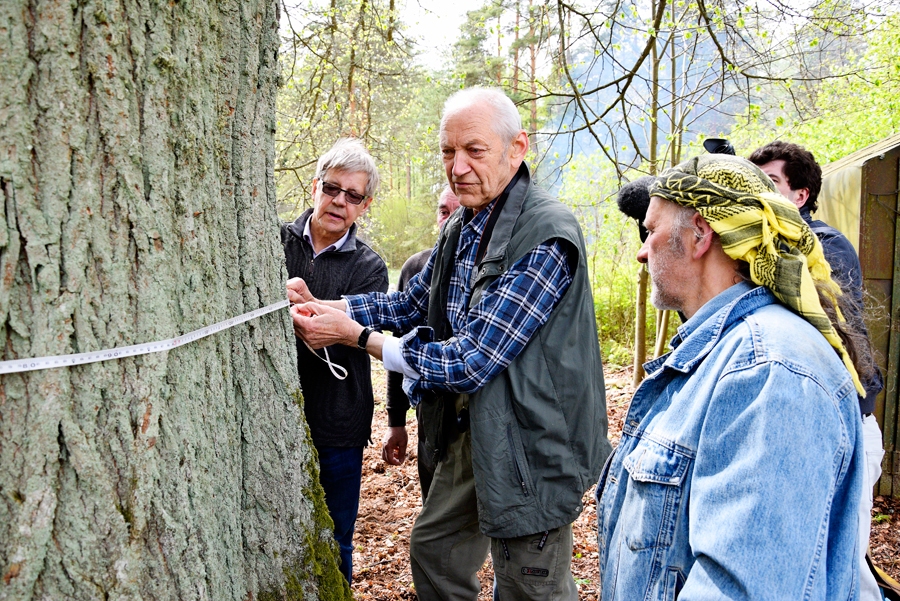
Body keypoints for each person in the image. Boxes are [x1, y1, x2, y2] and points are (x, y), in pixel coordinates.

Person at [288, 87, 610, 600]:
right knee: (435, 551)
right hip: (475, 427)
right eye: (447, 151)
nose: (457, 167)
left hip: (534, 441)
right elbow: (412, 302)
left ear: (516, 148)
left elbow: (473, 359)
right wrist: (334, 308)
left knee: (528, 583)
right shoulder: (462, 225)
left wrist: (358, 337)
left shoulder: (546, 235)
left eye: (474, 151)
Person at [596, 154, 870, 599]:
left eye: (650, 231)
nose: (643, 251)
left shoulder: (768, 373)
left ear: (700, 235)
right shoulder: (722, 351)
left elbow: (743, 588)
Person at [750, 140, 885, 601]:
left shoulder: (825, 247)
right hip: (800, 427)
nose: (758, 194)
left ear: (801, 195)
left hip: (848, 429)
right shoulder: (763, 247)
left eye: (769, 183)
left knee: (844, 566)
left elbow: (816, 317)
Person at [280, 138, 388, 584]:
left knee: (336, 536)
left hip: (338, 426)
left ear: (364, 206)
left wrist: (309, 311)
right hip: (273, 417)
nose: (339, 201)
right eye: (332, 188)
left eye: (353, 195)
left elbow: (347, 334)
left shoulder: (371, 268)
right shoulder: (270, 241)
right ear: (314, 187)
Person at [381, 186, 460, 501]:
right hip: (429, 416)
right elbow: (398, 344)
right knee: (434, 506)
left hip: (481, 420)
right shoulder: (417, 268)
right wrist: (395, 421)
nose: (448, 222)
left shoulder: (495, 270)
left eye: (458, 214)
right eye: (443, 212)